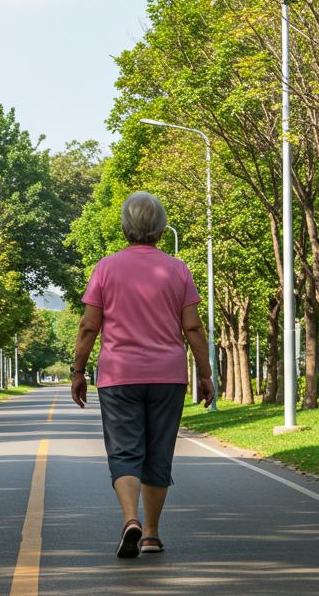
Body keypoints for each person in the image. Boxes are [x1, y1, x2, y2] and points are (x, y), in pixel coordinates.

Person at [71, 191, 214, 559]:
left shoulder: (105, 267)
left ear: (124, 227)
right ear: (162, 230)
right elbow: (193, 328)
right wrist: (205, 373)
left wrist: (79, 371)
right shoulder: (178, 269)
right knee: (158, 454)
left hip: (119, 375)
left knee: (124, 451)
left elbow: (89, 326)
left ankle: (130, 519)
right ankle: (150, 534)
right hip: (168, 376)